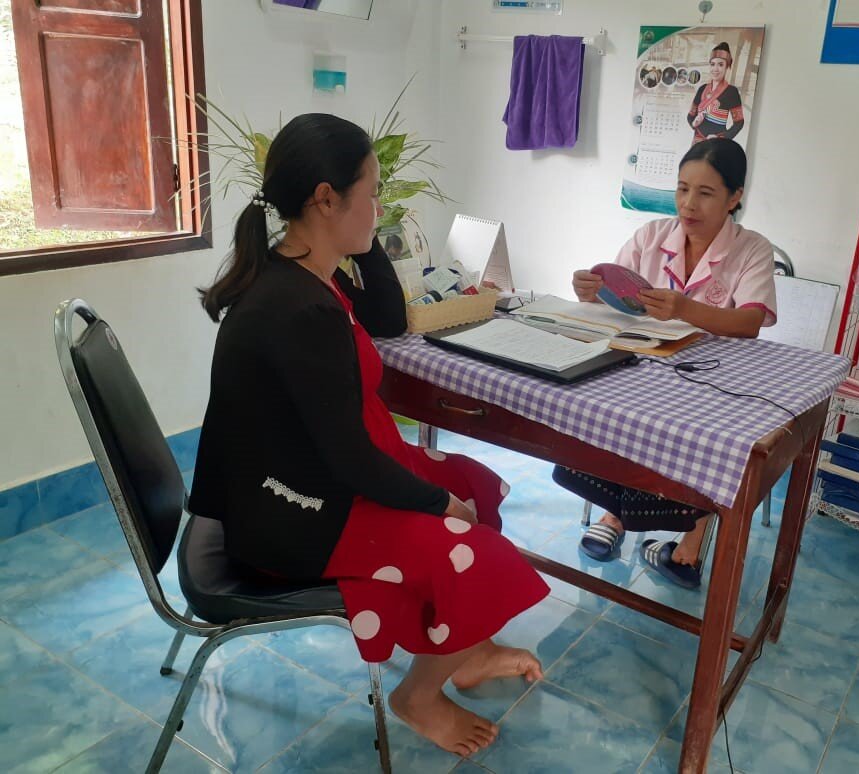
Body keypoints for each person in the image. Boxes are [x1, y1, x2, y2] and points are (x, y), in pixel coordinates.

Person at [189, 113, 550, 758]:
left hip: (305, 481)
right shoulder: (296, 309)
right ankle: (419, 694)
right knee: (472, 540)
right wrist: (437, 506)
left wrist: (364, 235)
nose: (382, 205)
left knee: (474, 484)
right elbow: (351, 461)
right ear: (326, 199)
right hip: (292, 519)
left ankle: (463, 651)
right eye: (373, 191)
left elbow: (387, 317)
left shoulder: (305, 271)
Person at [554, 138, 776, 588]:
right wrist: (589, 291)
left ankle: (689, 548)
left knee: (713, 438)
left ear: (735, 197)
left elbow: (751, 322)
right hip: (647, 365)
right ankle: (615, 515)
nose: (688, 204)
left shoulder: (752, 249)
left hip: (715, 375)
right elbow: (617, 299)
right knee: (613, 411)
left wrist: (684, 310)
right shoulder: (651, 236)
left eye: (706, 193)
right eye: (681, 189)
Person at [687, 42, 745, 145]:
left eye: (721, 64)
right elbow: (690, 115)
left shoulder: (732, 92)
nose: (715, 69)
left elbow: (739, 123)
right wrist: (694, 123)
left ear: (727, 66)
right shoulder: (702, 89)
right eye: (713, 64)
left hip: (717, 143)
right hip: (697, 142)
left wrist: (721, 137)